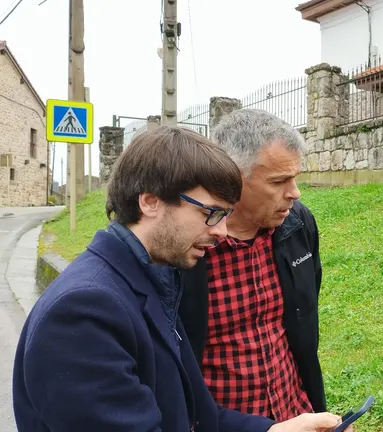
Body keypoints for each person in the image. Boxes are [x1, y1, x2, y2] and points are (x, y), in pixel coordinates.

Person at [13, 127, 344, 432]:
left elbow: (193, 415)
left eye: (225, 215)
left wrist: (273, 429)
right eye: (209, 213)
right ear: (150, 201)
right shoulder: (84, 311)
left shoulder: (151, 280)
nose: (221, 232)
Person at [178, 109, 326, 421]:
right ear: (232, 178)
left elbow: (303, 320)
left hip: (294, 416)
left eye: (295, 178)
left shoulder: (298, 225)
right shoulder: (186, 247)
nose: (294, 193)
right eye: (278, 181)